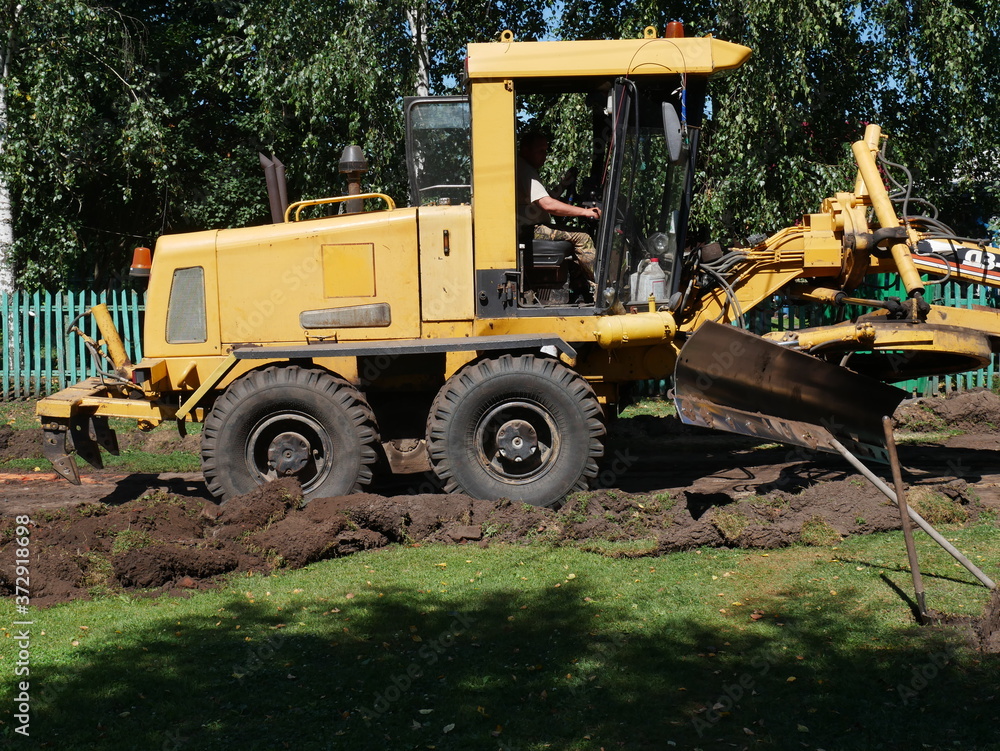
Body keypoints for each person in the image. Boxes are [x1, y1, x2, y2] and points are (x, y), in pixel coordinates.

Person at [517, 133, 601, 291]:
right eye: (540, 150)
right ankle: (602, 287)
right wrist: (585, 212)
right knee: (582, 237)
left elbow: (547, 197)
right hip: (528, 230)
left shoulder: (524, 168)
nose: (544, 155)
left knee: (572, 237)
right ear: (526, 149)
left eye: (546, 150)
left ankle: (579, 287)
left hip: (531, 227)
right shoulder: (525, 170)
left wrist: (564, 184)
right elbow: (548, 204)